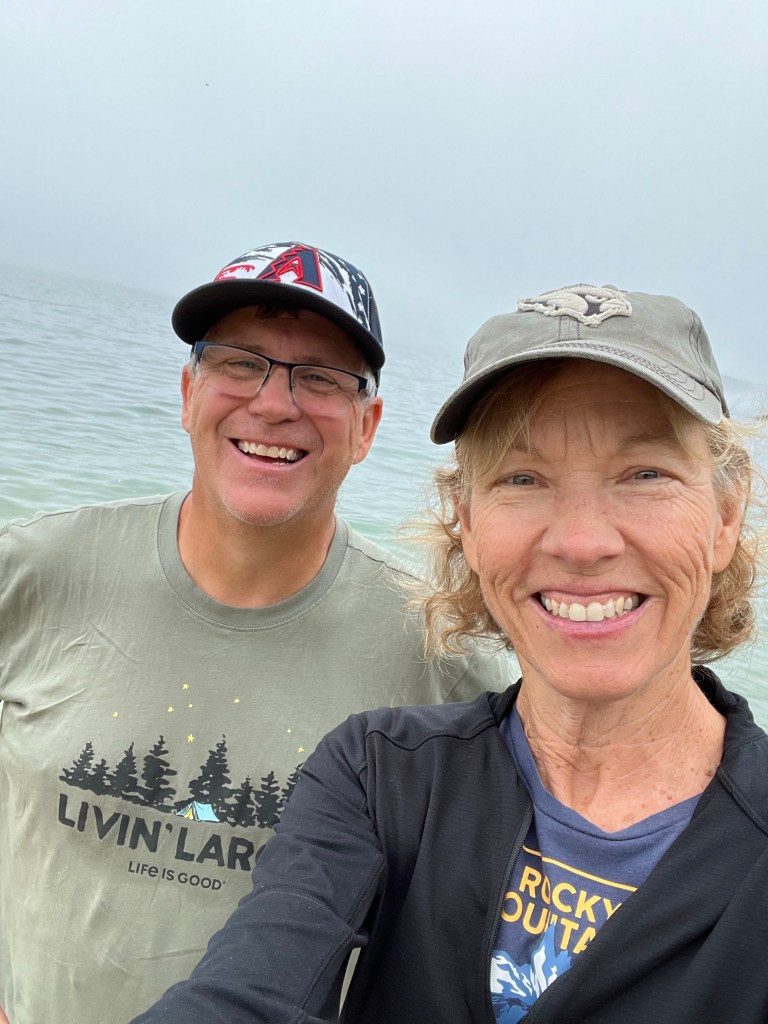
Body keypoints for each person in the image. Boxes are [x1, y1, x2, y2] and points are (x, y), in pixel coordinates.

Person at [132, 283, 768, 1024]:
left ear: (726, 514)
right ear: (465, 520)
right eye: (522, 479)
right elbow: (249, 993)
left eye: (645, 474)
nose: (582, 542)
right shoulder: (381, 773)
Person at [0, 241, 511, 1024]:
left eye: (321, 377)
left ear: (367, 427)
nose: (274, 404)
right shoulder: (33, 569)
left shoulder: (441, 654)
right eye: (240, 363)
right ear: (188, 392)